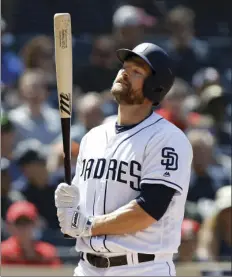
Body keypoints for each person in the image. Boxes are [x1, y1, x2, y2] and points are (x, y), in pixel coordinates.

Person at [55, 42, 193, 276]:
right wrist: (68, 211)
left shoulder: (168, 139)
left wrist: (88, 226)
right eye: (125, 66)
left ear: (154, 88)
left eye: (136, 71)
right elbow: (79, 217)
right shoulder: (93, 137)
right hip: (86, 267)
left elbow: (149, 209)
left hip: (142, 268)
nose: (124, 72)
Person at [1, 201, 61, 266]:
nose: (23, 228)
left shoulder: (48, 253)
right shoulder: (2, 252)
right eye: (18, 223)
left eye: (27, 222)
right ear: (10, 226)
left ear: (35, 224)